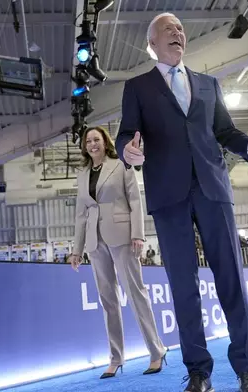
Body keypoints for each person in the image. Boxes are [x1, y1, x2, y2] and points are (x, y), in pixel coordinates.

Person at [115, 13, 248, 392]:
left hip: (213, 190)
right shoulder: (137, 87)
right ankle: (199, 372)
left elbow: (225, 132)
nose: (178, 33)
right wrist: (128, 152)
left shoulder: (208, 84)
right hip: (167, 195)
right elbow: (125, 135)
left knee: (231, 279)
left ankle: (247, 369)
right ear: (152, 43)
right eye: (169, 29)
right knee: (183, 286)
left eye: (181, 29)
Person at [70, 126, 167, 379]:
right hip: (95, 240)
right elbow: (81, 214)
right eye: (88, 140)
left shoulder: (121, 165)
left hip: (122, 235)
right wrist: (76, 249)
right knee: (108, 301)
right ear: (84, 146)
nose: (92, 144)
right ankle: (115, 357)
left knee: (136, 293)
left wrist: (138, 233)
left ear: (105, 142)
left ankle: (156, 351)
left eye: (97, 139)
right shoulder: (82, 175)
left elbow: (135, 200)